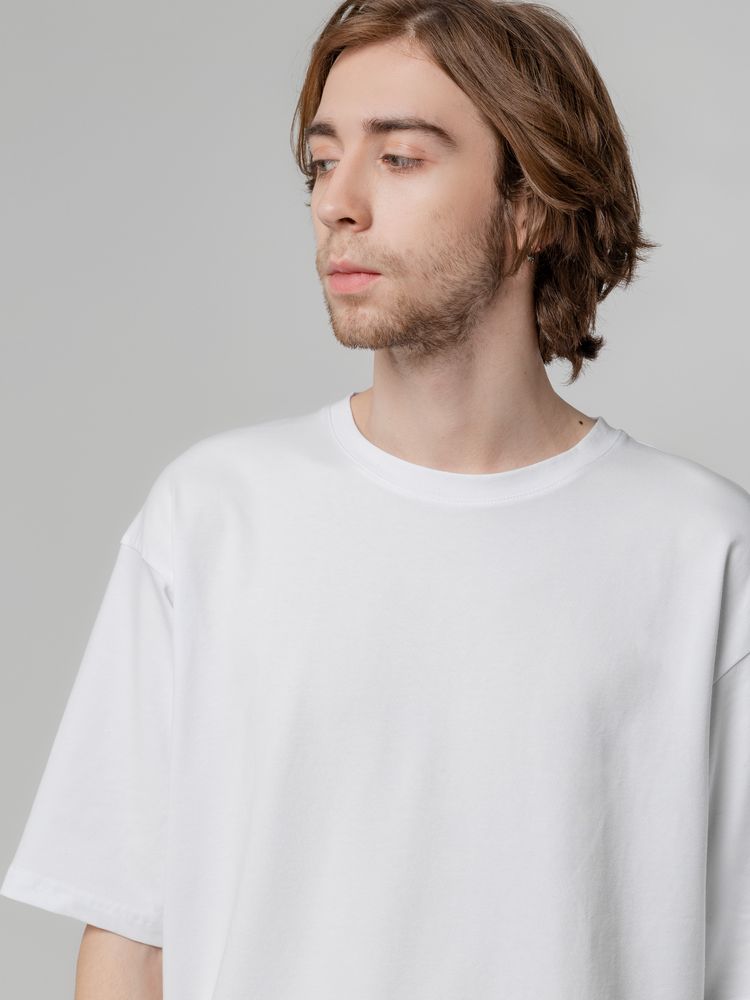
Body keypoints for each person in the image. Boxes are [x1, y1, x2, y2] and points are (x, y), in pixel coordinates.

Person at [2, 1, 748, 998]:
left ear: (532, 205)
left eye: (399, 157)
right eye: (322, 161)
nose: (337, 202)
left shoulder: (703, 553)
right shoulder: (213, 518)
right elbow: (132, 946)